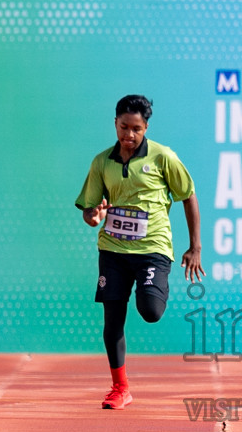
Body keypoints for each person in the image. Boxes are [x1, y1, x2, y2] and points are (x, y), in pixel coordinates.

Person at [77, 94, 203, 410]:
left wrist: (195, 247)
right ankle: (120, 388)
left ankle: (155, 285)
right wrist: (94, 216)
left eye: (136, 129)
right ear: (115, 124)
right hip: (113, 250)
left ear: (146, 127)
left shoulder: (163, 157)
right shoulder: (102, 162)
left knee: (151, 312)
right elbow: (90, 210)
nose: (129, 136)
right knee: (113, 319)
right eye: (123, 127)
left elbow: (188, 196)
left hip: (152, 249)